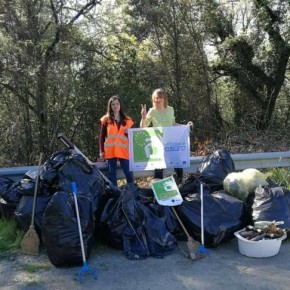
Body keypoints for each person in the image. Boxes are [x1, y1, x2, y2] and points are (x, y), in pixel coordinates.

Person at [140, 88, 186, 184]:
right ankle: (159, 194)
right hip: (158, 144)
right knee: (159, 171)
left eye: (160, 97)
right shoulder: (152, 111)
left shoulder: (171, 109)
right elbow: (143, 127)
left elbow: (173, 124)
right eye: (156, 98)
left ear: (164, 98)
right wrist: (143, 117)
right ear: (154, 99)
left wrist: (185, 127)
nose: (158, 100)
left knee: (178, 168)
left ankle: (179, 187)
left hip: (171, 143)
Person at [99, 95, 134, 186]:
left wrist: (128, 133)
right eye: (113, 104)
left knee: (129, 173)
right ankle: (116, 196)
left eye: (117, 104)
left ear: (120, 105)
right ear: (110, 106)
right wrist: (101, 151)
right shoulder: (106, 120)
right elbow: (102, 137)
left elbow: (133, 137)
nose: (115, 106)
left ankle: (132, 192)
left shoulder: (127, 120)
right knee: (112, 175)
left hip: (124, 151)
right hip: (111, 151)